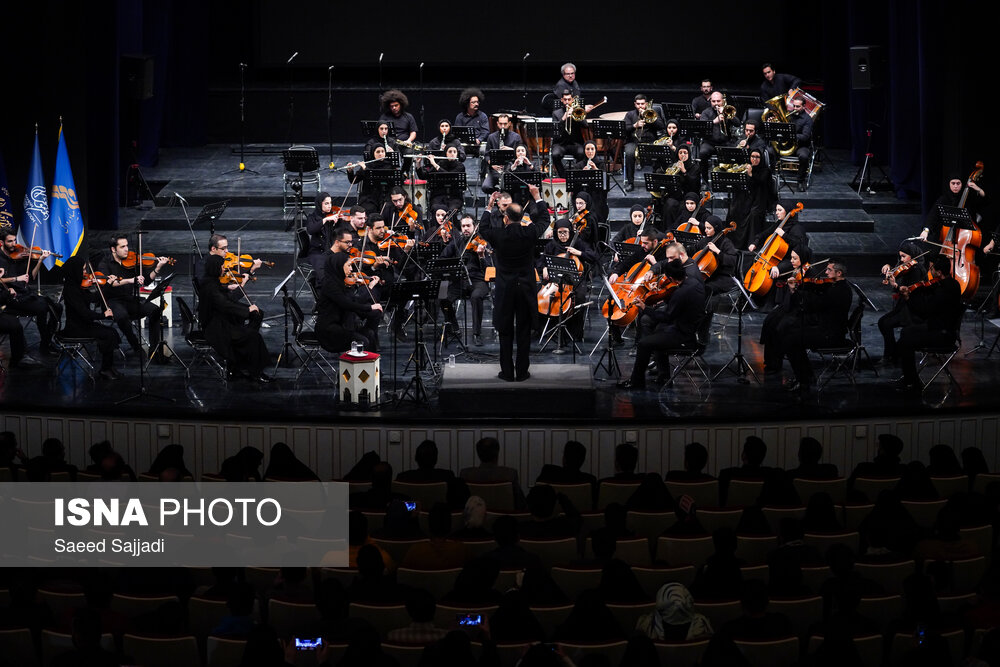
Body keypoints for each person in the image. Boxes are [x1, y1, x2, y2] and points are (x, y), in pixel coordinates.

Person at [764, 260, 852, 395]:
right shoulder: (836, 286)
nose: (825, 273)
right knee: (789, 334)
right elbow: (817, 288)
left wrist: (795, 290)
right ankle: (806, 376)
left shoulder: (839, 291)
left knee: (790, 340)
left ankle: (804, 380)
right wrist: (802, 285)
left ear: (838, 273)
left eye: (829, 270)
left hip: (830, 334)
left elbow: (815, 304)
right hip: (825, 329)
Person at [477, 198, 542, 382]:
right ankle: (522, 372)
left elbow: (483, 228)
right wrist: (538, 197)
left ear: (506, 218)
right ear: (522, 218)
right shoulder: (529, 232)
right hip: (525, 289)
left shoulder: (499, 235)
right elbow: (544, 219)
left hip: (506, 289)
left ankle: (507, 372)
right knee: (523, 329)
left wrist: (489, 207)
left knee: (505, 331)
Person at [618, 258, 706, 390]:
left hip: (684, 335)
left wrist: (645, 308)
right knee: (657, 331)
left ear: (671, 278)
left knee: (643, 344)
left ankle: (636, 382)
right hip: (692, 328)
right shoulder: (694, 282)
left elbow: (666, 317)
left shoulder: (681, 293)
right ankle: (664, 376)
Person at [893, 254, 963, 393]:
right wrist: (911, 289)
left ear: (939, 272)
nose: (929, 271)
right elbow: (927, 289)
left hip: (943, 334)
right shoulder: (952, 283)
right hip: (939, 327)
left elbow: (923, 312)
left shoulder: (944, 290)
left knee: (906, 341)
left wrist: (908, 297)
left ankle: (912, 383)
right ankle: (909, 377)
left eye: (931, 268)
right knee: (906, 332)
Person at [198, 254, 272, 382]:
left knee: (256, 317)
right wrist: (247, 309)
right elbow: (224, 304)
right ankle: (255, 371)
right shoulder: (210, 286)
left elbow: (223, 297)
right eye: (222, 266)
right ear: (215, 268)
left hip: (219, 320)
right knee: (254, 336)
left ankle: (239, 363)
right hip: (215, 328)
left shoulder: (210, 281)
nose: (224, 269)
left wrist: (229, 287)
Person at [98, 234, 170, 363]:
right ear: (113, 249)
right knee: (122, 316)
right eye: (122, 246)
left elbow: (146, 281)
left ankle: (154, 351)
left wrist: (158, 267)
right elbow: (111, 283)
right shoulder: (105, 263)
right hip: (111, 301)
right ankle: (135, 346)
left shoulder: (132, 261)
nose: (127, 249)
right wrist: (131, 280)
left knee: (156, 310)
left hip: (129, 299)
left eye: (127, 245)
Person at [315, 233, 383, 354]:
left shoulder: (342, 282)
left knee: (370, 334)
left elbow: (354, 301)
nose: (351, 269)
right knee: (363, 341)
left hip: (344, 324)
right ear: (339, 266)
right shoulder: (330, 286)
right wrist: (370, 307)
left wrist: (370, 288)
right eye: (349, 266)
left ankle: (374, 371)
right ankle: (355, 371)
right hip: (330, 330)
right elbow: (347, 304)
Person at [537, 218, 597, 345]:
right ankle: (548, 329)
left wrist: (579, 253)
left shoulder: (579, 243)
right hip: (555, 281)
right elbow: (541, 261)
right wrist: (544, 268)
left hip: (576, 282)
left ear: (570, 232)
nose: (563, 235)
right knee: (541, 296)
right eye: (560, 233)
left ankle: (575, 332)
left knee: (579, 297)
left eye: (565, 232)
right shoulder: (552, 245)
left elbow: (593, 257)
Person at [61, 255, 121, 380]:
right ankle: (105, 369)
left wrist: (107, 285)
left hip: (84, 324)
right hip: (75, 328)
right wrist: (102, 315)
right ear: (75, 270)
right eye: (82, 270)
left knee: (112, 332)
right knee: (108, 334)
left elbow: (94, 298)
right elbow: (84, 313)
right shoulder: (71, 290)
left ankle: (108, 367)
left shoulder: (78, 285)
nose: (85, 273)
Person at [0, 228, 59, 357]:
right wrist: (16, 279)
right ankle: (45, 344)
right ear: (1, 242)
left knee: (57, 307)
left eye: (15, 240)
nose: (14, 244)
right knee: (42, 308)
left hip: (26, 294)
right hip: (12, 298)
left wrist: (40, 260)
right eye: (10, 241)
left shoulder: (20, 255)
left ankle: (49, 339)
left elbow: (32, 276)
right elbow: (0, 279)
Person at [440, 214, 491, 346]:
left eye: (468, 226)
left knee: (476, 297)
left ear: (475, 227)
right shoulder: (457, 242)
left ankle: (476, 334)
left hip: (478, 281)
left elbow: (489, 269)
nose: (466, 229)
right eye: (463, 226)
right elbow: (443, 258)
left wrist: (481, 256)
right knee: (443, 297)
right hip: (459, 280)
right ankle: (454, 328)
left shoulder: (483, 243)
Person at [878, 240, 927, 366]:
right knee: (883, 322)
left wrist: (894, 285)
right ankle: (892, 353)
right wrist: (889, 266)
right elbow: (897, 268)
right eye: (900, 256)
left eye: (904, 256)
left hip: (912, 309)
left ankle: (891, 354)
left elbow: (907, 293)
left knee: (885, 323)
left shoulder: (917, 270)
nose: (901, 259)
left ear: (913, 256)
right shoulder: (907, 267)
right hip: (904, 307)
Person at [460, 437, 527, 509]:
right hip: (503, 518)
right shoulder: (509, 474)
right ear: (497, 453)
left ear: (478, 454)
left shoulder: (466, 475)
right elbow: (520, 504)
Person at [727, 147, 774, 249]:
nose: (754, 159)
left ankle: (751, 244)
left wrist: (751, 174)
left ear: (761, 159)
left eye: (757, 157)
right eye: (752, 156)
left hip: (760, 199)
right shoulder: (746, 168)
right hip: (747, 197)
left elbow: (761, 183)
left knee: (753, 214)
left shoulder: (766, 171)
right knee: (734, 209)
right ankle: (734, 243)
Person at [920, 174, 987, 242]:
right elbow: (933, 215)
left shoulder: (969, 198)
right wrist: (926, 230)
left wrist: (978, 189)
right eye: (953, 183)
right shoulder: (943, 199)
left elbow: (985, 201)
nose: (955, 186)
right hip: (946, 239)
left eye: (958, 183)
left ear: (962, 184)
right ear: (949, 184)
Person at [623, 94, 666, 191]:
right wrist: (635, 125)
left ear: (646, 104)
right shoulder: (630, 114)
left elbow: (661, 125)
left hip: (650, 141)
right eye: (638, 104)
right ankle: (630, 182)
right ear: (635, 104)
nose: (640, 106)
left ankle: (656, 180)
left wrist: (650, 119)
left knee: (660, 152)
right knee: (629, 154)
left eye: (642, 104)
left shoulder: (652, 113)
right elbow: (624, 128)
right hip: (634, 141)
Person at [304, 191, 340, 287]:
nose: (330, 206)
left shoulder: (334, 217)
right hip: (317, 252)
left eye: (330, 203)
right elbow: (311, 230)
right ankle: (324, 291)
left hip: (330, 250)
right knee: (323, 269)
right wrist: (324, 220)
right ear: (320, 204)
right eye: (326, 203)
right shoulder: (312, 217)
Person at [482, 114, 524, 194]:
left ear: (509, 124)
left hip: (510, 171)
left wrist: (512, 150)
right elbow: (487, 155)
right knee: (485, 187)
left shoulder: (516, 137)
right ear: (497, 124)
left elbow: (521, 154)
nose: (503, 126)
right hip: (495, 170)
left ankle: (504, 199)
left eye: (505, 124)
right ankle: (498, 196)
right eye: (500, 124)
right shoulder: (491, 137)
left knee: (507, 187)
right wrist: (492, 164)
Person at [551, 89, 586, 178]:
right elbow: (555, 129)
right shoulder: (556, 113)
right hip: (560, 144)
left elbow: (585, 125)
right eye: (565, 100)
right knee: (555, 154)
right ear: (562, 100)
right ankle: (563, 176)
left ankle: (575, 176)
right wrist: (563, 118)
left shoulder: (578, 110)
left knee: (582, 153)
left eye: (569, 99)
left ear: (572, 100)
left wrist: (576, 116)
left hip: (575, 143)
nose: (567, 102)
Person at [454, 87, 490, 152]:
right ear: (467, 103)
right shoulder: (460, 117)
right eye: (473, 102)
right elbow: (456, 133)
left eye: (477, 102)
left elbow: (485, 131)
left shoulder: (483, 116)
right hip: (464, 145)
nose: (476, 104)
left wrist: (479, 140)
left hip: (479, 145)